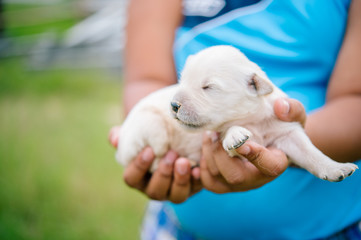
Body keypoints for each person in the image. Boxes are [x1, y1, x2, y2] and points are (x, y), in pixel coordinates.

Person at [109, 0, 361, 239]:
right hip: (179, 227)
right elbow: (146, 79)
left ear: (256, 86)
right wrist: (151, 155)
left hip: (329, 227)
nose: (176, 103)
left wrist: (274, 142)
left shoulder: (261, 93)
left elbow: (355, 100)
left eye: (208, 88)